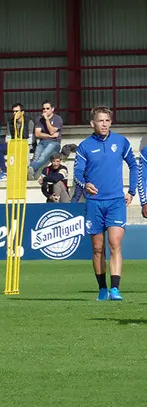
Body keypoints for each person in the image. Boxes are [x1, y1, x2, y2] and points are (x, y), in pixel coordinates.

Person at [73, 106, 137, 302]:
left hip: (116, 201)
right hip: (94, 203)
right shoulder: (84, 146)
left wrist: (131, 191)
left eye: (107, 121)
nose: (104, 124)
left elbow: (134, 165)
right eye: (100, 121)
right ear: (92, 123)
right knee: (98, 248)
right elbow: (77, 174)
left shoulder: (121, 142)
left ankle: (115, 289)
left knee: (115, 243)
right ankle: (102, 288)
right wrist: (86, 184)